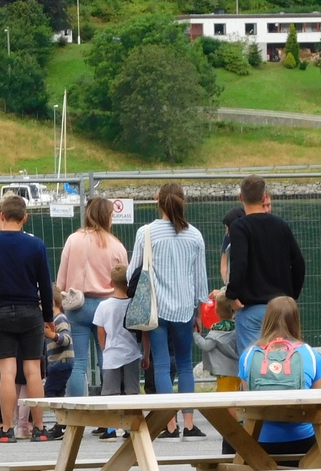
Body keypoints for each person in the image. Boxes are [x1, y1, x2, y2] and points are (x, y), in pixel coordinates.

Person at [238, 296, 321, 471]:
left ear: (265, 319)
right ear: (296, 320)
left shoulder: (249, 356)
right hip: (301, 440)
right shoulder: (310, 355)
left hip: (259, 443)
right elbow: (318, 404)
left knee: (231, 440)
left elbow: (245, 401)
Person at [130, 183, 210, 438]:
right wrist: (198, 312)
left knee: (162, 365)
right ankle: (189, 423)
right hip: (185, 308)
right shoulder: (195, 236)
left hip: (157, 308)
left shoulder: (146, 233)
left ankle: (169, 423)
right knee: (186, 365)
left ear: (158, 201)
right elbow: (200, 281)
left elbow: (133, 271)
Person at [0, 193, 54, 444]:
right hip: (31, 311)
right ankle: (39, 428)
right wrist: (48, 317)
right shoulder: (36, 245)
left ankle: (6, 429)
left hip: (0, 311)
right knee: (33, 371)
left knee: (6, 371)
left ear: (0, 216)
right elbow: (45, 285)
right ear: (25, 218)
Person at [56, 197, 128, 397]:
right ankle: (110, 418)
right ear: (106, 217)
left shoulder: (74, 240)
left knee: (78, 362)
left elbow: (61, 277)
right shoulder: (116, 246)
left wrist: (59, 304)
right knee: (107, 359)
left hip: (77, 306)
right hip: (107, 306)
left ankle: (78, 414)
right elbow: (124, 280)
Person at [225, 176, 305, 354]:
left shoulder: (240, 227)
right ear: (264, 197)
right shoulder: (281, 226)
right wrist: (291, 295)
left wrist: (232, 294)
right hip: (280, 307)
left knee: (251, 362)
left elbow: (240, 264)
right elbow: (298, 263)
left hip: (251, 307)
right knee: (284, 359)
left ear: (241, 198)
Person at [93, 263, 142, 417]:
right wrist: (145, 353)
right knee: (132, 391)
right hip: (132, 352)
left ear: (111, 283)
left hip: (111, 353)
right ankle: (132, 423)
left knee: (110, 392)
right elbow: (143, 332)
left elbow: (101, 331)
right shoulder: (134, 304)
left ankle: (111, 428)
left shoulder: (103, 306)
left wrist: (105, 348)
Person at [43, 288, 75, 433]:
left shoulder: (60, 319)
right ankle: (61, 423)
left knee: (50, 391)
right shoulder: (53, 320)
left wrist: (52, 335)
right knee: (59, 393)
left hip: (61, 361)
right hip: (56, 362)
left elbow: (66, 339)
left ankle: (62, 421)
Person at [197, 290, 239, 391]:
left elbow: (206, 345)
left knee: (227, 399)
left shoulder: (217, 330)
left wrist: (195, 334)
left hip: (224, 372)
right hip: (239, 370)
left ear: (216, 310)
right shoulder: (239, 327)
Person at [219, 205, 245, 284]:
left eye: (227, 228)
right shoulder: (228, 239)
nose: (227, 233)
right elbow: (224, 263)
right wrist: (227, 283)